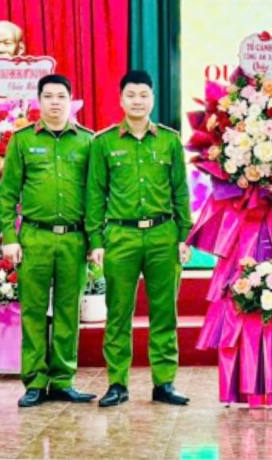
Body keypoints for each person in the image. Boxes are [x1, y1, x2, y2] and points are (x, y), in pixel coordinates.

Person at [87, 70, 192, 407]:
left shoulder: (169, 141)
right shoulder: (103, 143)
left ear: (153, 99)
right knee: (118, 312)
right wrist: (96, 241)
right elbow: (95, 194)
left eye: (143, 94)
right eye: (130, 94)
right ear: (121, 99)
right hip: (121, 235)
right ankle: (117, 383)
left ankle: (164, 382)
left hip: (163, 234)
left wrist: (184, 235)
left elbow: (180, 191)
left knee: (165, 312)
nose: (137, 100)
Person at [0, 74, 97, 407]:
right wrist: (9, 237)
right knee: (34, 311)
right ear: (39, 101)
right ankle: (35, 381)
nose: (55, 102)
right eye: (49, 96)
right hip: (34, 238)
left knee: (69, 311)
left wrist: (95, 240)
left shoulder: (87, 141)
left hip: (73, 239)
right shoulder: (22, 140)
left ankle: (63, 378)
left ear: (71, 101)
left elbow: (96, 195)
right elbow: (7, 193)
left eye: (61, 96)